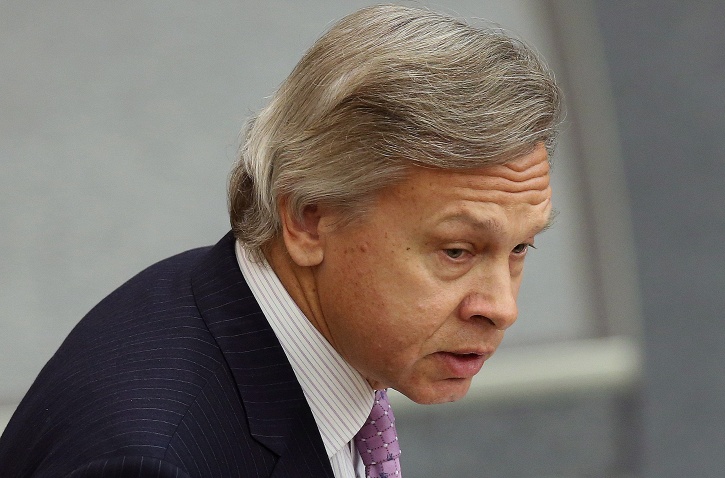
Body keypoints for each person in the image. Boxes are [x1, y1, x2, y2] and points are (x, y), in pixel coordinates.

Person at [0, 4, 560, 477]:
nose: (502, 308)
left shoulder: (229, 306)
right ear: (309, 220)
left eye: (520, 249)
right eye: (457, 251)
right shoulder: (154, 461)